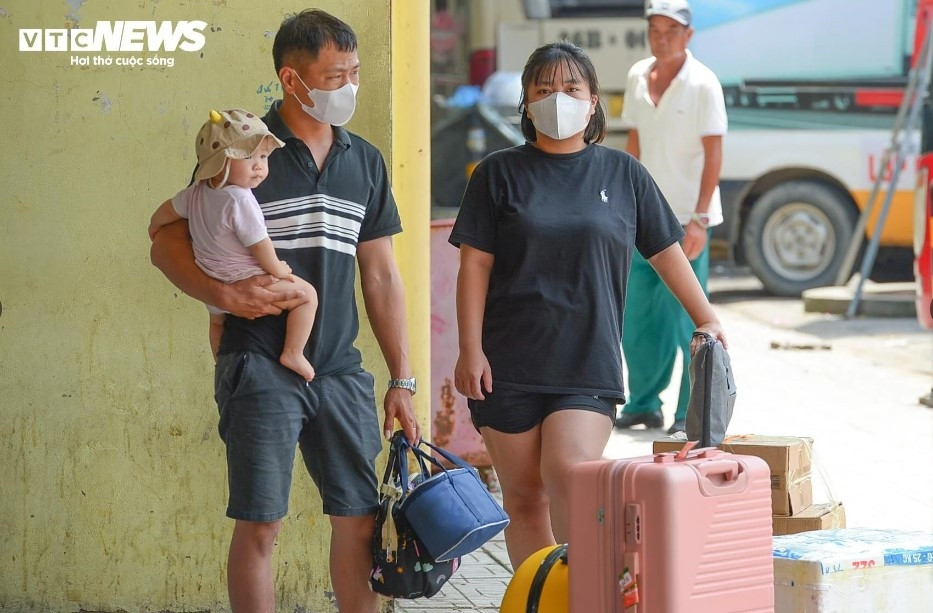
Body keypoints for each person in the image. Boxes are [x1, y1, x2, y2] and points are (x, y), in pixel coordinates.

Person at [149, 9, 419, 613]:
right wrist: (221, 296)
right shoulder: (243, 152)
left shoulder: (365, 162)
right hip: (259, 366)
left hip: (342, 371)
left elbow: (379, 274)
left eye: (354, 72)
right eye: (333, 75)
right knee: (261, 525)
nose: (347, 86)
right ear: (290, 80)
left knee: (358, 523)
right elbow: (165, 240)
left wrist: (402, 377)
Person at [449, 40, 727, 570]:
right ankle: (540, 600)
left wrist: (707, 317)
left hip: (586, 361)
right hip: (505, 362)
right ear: (527, 104)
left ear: (594, 100)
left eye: (571, 88)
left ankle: (588, 592)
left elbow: (669, 256)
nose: (559, 98)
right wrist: (469, 350)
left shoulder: (624, 175)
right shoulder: (497, 174)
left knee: (571, 475)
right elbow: (474, 267)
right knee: (524, 499)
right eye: (544, 89)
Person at [615, 0, 728, 435]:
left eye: (671, 30)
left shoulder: (703, 84)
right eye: (655, 30)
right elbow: (636, 144)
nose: (661, 38)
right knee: (639, 320)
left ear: (688, 35)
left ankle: (689, 414)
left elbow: (714, 153)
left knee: (690, 320)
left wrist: (699, 218)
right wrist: (624, 206)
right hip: (644, 218)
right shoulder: (638, 76)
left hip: (685, 220)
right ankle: (643, 404)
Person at [149, 108, 318, 381]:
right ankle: (294, 352)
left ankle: (220, 364)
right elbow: (259, 244)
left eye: (263, 156)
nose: (259, 166)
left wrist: (153, 226)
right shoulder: (241, 199)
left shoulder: (195, 193)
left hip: (213, 278)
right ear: (221, 163)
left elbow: (166, 211)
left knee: (217, 322)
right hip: (247, 278)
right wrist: (278, 269)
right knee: (307, 295)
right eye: (248, 157)